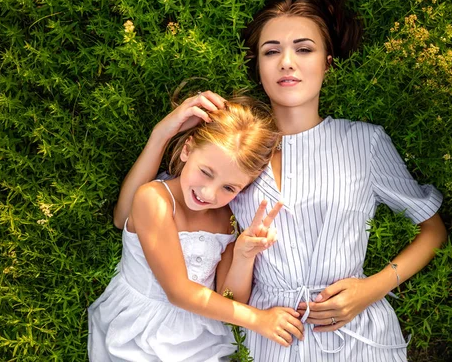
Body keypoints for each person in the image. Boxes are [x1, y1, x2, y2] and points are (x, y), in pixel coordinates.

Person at [113, 0, 447, 362]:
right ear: (258, 65)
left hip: (357, 332)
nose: (287, 62)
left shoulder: (366, 141)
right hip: (274, 336)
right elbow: (133, 216)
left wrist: (372, 288)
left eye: (304, 49)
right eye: (272, 51)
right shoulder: (232, 155)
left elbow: (432, 230)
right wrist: (161, 134)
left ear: (328, 62)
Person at [89, 97, 305, 361]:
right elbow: (179, 292)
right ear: (187, 150)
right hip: (143, 333)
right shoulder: (155, 199)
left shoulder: (227, 218)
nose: (209, 193)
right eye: (206, 172)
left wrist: (243, 255)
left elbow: (229, 297)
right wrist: (258, 320)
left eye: (229, 188)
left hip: (202, 334)